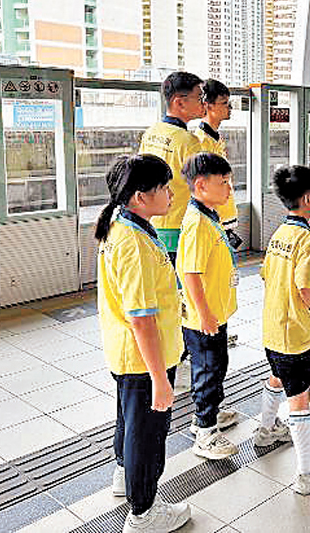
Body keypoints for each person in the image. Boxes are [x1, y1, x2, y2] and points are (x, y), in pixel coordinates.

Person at [95, 154, 191, 533]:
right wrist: (160, 379)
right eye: (164, 188)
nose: (171, 194)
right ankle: (143, 513)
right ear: (140, 196)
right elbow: (141, 317)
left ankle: (125, 478)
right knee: (147, 436)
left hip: (126, 353)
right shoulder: (132, 243)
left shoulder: (122, 224)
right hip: (144, 359)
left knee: (129, 423)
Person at [256, 165, 310, 495]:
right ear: (307, 199)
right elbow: (303, 288)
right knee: (300, 398)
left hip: (273, 329)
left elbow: (269, 274)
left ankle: (265, 430)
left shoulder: (281, 234)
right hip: (295, 334)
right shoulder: (307, 239)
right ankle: (306, 471)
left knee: (278, 377)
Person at [177, 153, 240, 461]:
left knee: (217, 366)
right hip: (204, 317)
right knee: (208, 370)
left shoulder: (209, 215)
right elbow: (190, 273)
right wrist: (203, 314)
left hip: (215, 311)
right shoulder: (197, 224)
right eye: (224, 182)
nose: (230, 188)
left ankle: (209, 412)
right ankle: (204, 432)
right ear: (201, 185)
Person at [138, 71, 205, 265]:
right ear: (180, 102)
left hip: (150, 220)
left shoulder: (150, 133)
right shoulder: (189, 141)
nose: (204, 103)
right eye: (199, 98)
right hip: (179, 224)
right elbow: (201, 188)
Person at [193, 79, 242, 248]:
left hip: (224, 215)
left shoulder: (216, 137)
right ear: (208, 105)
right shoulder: (200, 142)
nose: (230, 107)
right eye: (224, 103)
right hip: (214, 218)